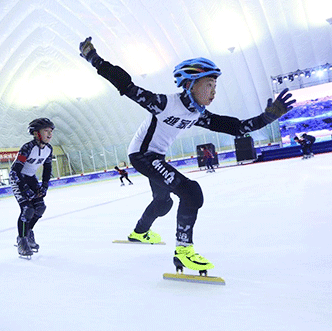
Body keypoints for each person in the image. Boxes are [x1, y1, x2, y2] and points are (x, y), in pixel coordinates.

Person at [79, 37, 296, 272]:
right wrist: (94, 58)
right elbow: (127, 86)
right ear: (190, 84)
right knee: (191, 193)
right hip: (142, 155)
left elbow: (235, 127)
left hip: (156, 157)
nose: (213, 92)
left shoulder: (198, 114)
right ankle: (183, 251)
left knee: (163, 204)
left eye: (215, 86)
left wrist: (266, 118)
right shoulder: (164, 104)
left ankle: (139, 232)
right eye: (208, 85)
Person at [9, 118, 54, 257]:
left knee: (40, 208)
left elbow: (47, 168)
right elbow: (16, 170)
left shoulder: (48, 149)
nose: (50, 134)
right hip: (18, 178)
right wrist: (24, 189)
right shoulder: (28, 148)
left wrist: (45, 185)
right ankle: (22, 241)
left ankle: (28, 234)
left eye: (51, 131)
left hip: (30, 177)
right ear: (36, 133)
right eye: (46, 131)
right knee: (27, 209)